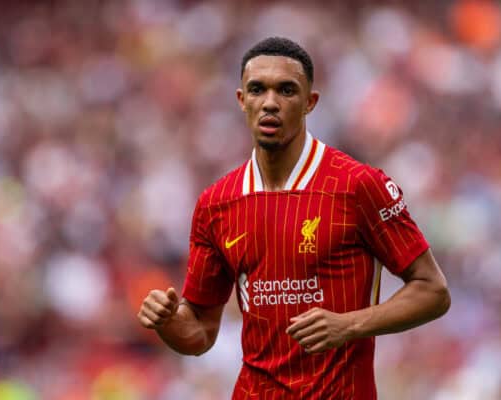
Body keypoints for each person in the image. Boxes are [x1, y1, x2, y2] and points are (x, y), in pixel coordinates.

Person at [138, 36, 451, 399]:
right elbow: (200, 334)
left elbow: (433, 291)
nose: (270, 103)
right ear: (242, 100)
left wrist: (348, 325)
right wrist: (166, 323)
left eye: (286, 90)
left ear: (309, 102)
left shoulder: (358, 186)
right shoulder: (216, 204)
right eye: (257, 89)